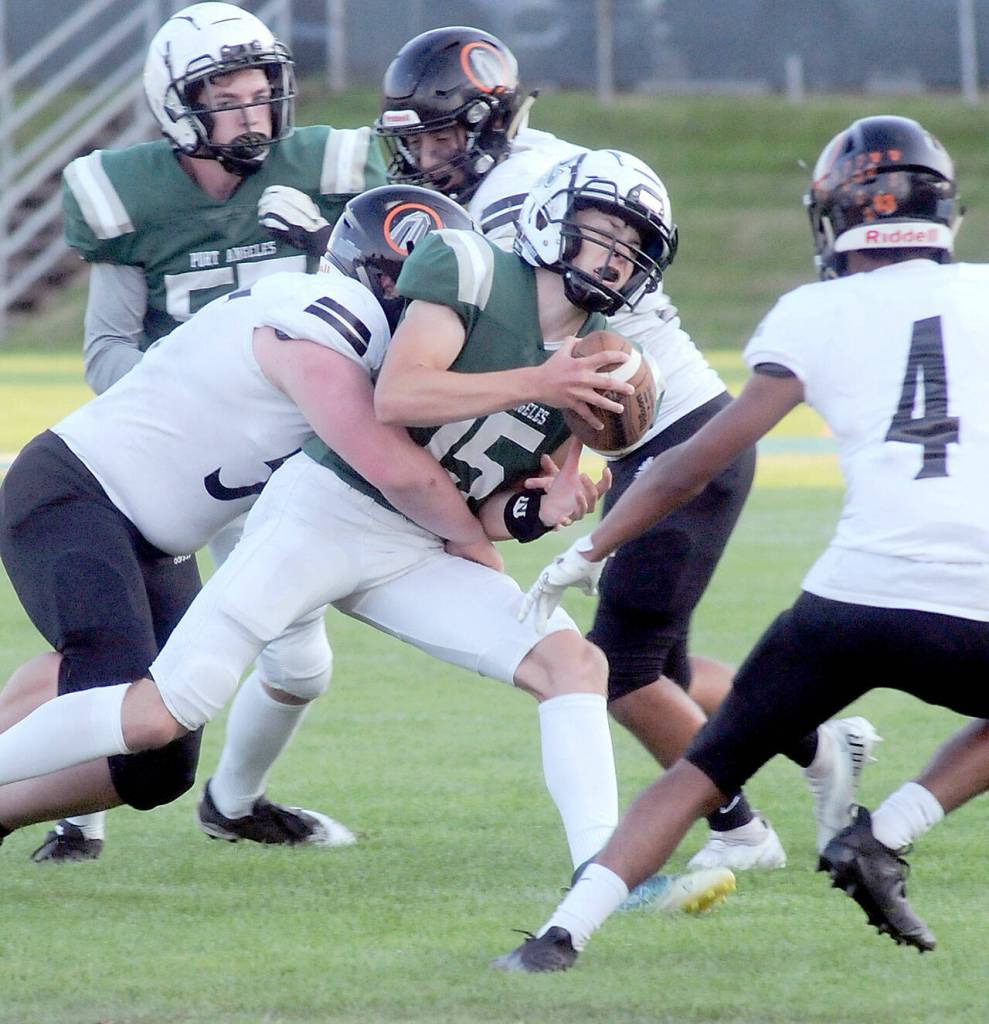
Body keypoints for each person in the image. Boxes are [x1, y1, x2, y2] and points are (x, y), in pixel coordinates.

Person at [0, 151, 736, 916]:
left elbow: (476, 502)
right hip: (324, 513)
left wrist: (535, 512)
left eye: (633, 245)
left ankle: (603, 872)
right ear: (553, 217)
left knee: (570, 663)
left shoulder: (600, 360)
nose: (615, 257)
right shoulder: (469, 265)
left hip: (413, 544)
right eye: (602, 232)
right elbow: (399, 396)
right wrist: (536, 388)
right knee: (160, 714)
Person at [366, 26, 881, 871]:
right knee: (666, 661)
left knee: (623, 671)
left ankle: (738, 832)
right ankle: (817, 744)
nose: (423, 154)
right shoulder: (518, 168)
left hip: (671, 435)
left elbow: (549, 336)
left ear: (487, 123)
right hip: (641, 427)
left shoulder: (520, 189)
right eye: (412, 136)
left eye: (438, 133)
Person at [492, 114, 988, 971]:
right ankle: (884, 833)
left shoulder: (815, 310)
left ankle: (557, 937)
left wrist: (587, 551)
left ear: (835, 216)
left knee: (700, 773)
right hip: (975, 601)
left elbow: (688, 463)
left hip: (848, 600)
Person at [0, 184, 491, 859]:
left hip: (155, 539)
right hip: (76, 493)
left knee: (156, 766)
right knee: (121, 699)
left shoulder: (351, 327)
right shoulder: (327, 322)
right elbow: (396, 468)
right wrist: (472, 544)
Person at [35, 0, 384, 861]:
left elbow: (390, 308)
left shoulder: (328, 173)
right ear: (178, 103)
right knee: (127, 650)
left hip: (287, 460)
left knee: (300, 668)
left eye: (261, 93)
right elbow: (109, 349)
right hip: (177, 460)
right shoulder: (130, 196)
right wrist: (191, 394)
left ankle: (235, 803)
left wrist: (336, 246)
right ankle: (76, 818)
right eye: (225, 95)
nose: (251, 113)